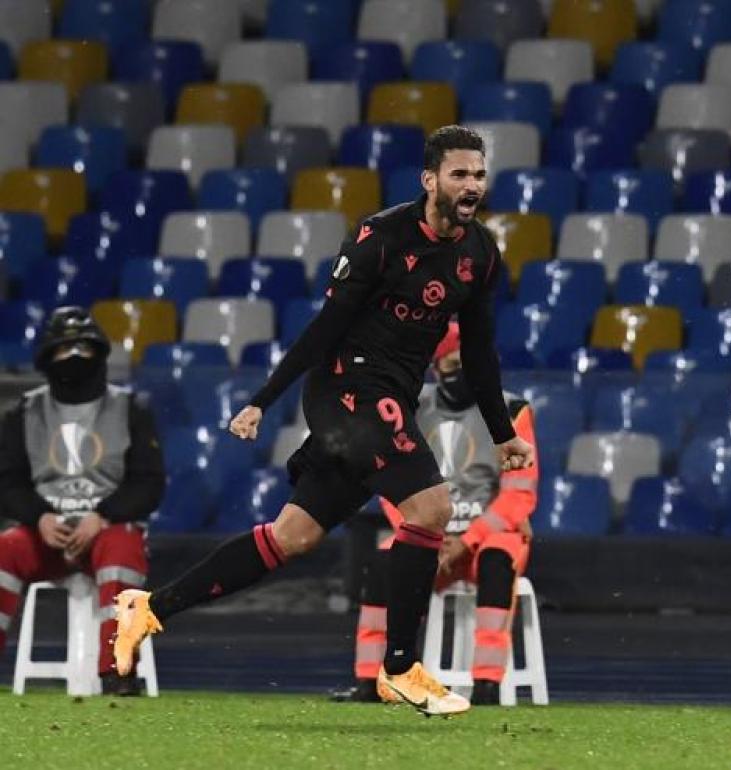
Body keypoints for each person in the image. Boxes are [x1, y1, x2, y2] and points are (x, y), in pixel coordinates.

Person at [111, 125, 535, 717]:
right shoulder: (379, 238)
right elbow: (326, 327)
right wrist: (265, 398)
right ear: (430, 179)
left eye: (479, 175)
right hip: (347, 390)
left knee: (294, 536)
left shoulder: (479, 255)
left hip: (388, 400)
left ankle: (149, 608)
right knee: (432, 508)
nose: (471, 185)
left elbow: (483, 354)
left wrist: (502, 432)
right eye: (459, 174)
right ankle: (400, 668)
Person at [333, 322, 539, 706]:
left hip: (487, 537)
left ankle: (488, 685)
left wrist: (466, 541)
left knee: (497, 559)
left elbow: (518, 496)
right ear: (434, 366)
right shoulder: (410, 407)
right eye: (450, 363)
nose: (459, 371)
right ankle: (369, 682)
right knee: (382, 562)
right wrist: (424, 533)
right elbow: (392, 486)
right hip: (426, 528)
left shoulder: (511, 410)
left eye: (468, 362)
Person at [0, 307, 165, 696]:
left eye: (82, 347)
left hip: (109, 531)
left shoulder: (131, 409)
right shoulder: (22, 413)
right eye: (64, 349)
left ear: (100, 352)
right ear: (47, 358)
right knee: (4, 550)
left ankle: (119, 672)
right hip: (45, 535)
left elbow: (149, 484)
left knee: (123, 550)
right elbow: (7, 483)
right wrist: (39, 516)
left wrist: (103, 516)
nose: (74, 357)